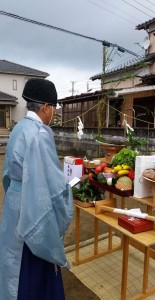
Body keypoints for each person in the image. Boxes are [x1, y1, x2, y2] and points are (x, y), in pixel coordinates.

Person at [0, 78, 74, 300]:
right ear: (44, 107)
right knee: (34, 260)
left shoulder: (18, 127)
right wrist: (67, 193)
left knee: (14, 258)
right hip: (32, 207)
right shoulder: (40, 134)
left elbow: (7, 174)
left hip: (14, 203)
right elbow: (52, 184)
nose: (54, 113)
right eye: (54, 108)